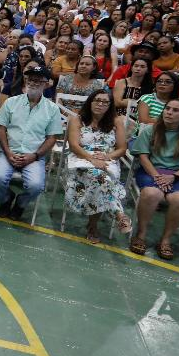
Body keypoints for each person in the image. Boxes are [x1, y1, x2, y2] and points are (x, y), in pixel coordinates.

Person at [129, 98, 179, 260]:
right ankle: (141, 235)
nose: (169, 112)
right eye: (167, 108)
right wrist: (157, 176)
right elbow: (143, 157)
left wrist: (173, 177)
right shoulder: (151, 130)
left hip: (177, 174)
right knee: (151, 194)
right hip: (150, 171)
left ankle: (165, 240)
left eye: (175, 110)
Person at [0, 66, 63, 221]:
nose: (34, 83)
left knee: (36, 186)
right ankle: (6, 198)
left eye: (38, 80)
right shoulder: (11, 102)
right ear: (26, 81)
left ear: (46, 83)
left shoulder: (52, 109)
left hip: (34, 156)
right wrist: (8, 152)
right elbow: (1, 129)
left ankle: (21, 203)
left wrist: (35, 155)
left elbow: (52, 138)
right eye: (31, 79)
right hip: (9, 152)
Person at [63, 90, 131, 243]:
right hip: (81, 157)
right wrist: (91, 159)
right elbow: (73, 145)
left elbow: (121, 148)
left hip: (107, 158)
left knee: (100, 178)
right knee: (100, 177)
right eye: (97, 100)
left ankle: (93, 225)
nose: (100, 104)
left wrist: (106, 157)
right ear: (90, 102)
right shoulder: (77, 119)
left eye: (105, 102)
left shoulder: (116, 121)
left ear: (110, 105)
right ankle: (117, 215)